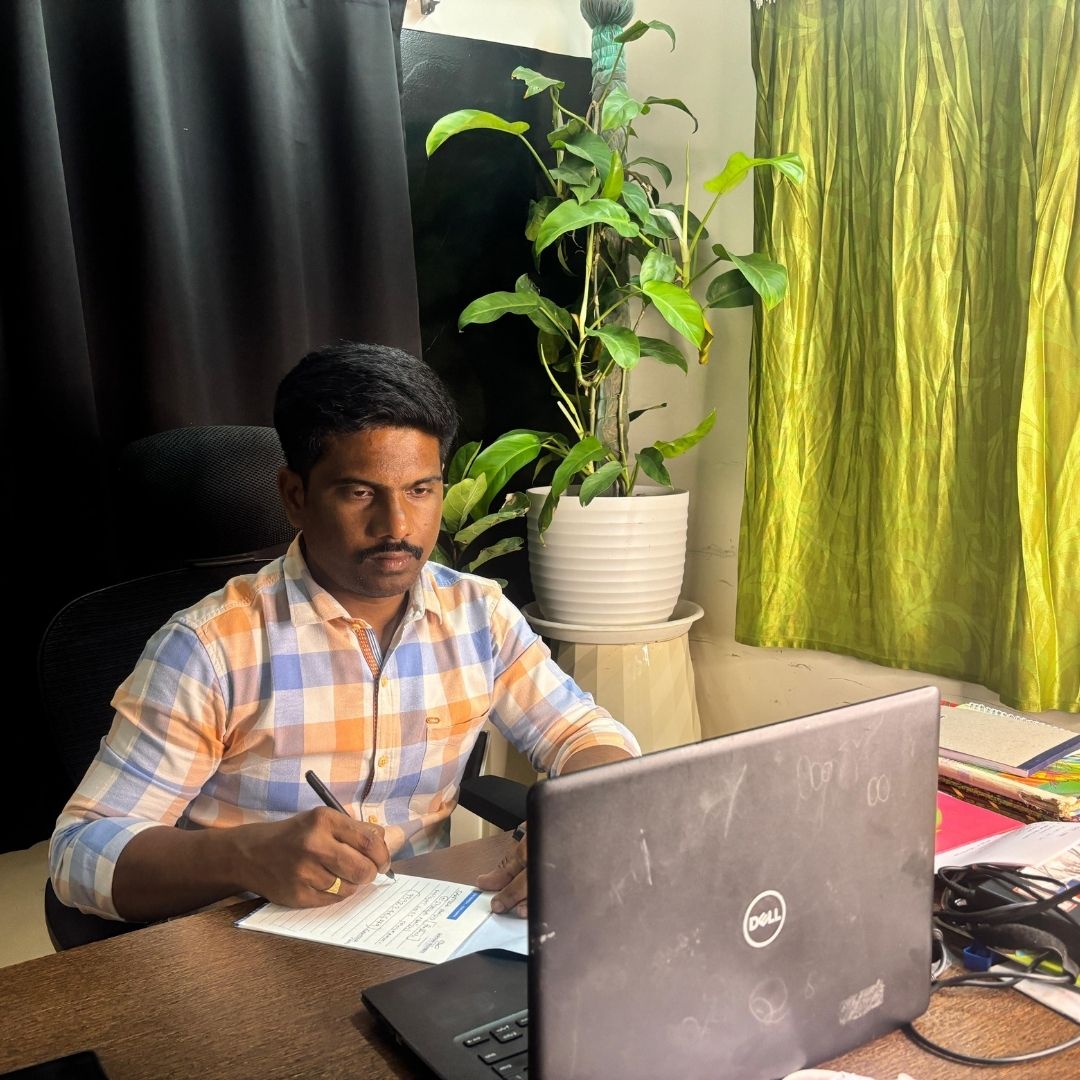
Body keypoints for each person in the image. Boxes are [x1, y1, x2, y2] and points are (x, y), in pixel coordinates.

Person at [49, 341, 640, 925]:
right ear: (296, 497)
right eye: (361, 493)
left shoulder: (477, 616)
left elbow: (586, 734)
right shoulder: (210, 647)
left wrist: (577, 821)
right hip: (242, 942)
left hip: (418, 927)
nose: (398, 526)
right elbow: (79, 854)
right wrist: (243, 855)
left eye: (420, 490)